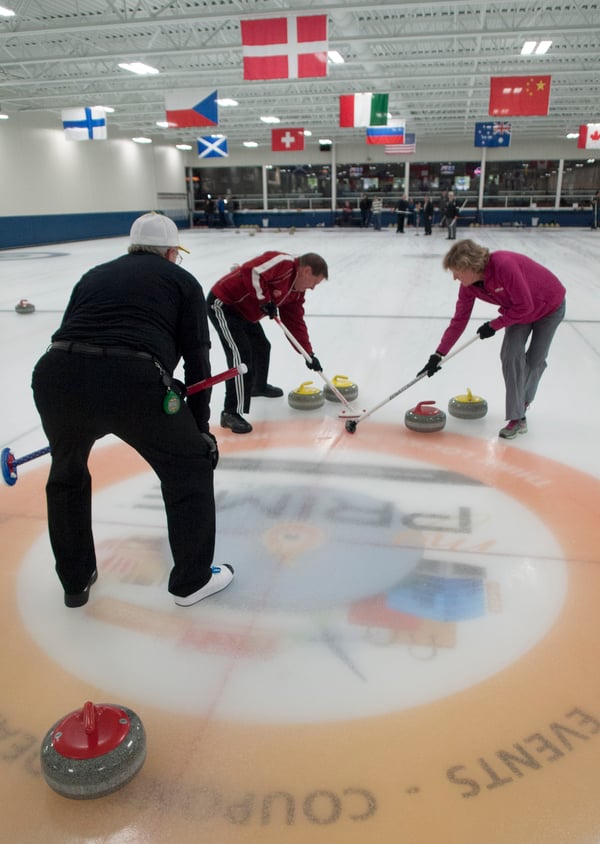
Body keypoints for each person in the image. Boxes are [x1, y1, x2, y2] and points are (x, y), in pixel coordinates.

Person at [31, 212, 234, 608]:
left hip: (57, 376)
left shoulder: (94, 275)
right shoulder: (182, 281)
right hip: (132, 380)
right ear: (173, 252)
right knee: (189, 466)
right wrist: (199, 430)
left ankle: (75, 580)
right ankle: (191, 580)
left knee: (67, 475)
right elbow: (198, 361)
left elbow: (73, 332)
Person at [417, 239, 566, 440]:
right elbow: (459, 320)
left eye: (457, 272)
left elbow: (526, 306)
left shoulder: (503, 266)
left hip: (548, 306)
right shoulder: (468, 286)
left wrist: (494, 325)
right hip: (518, 310)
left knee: (535, 360)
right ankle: (516, 416)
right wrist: (438, 354)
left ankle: (523, 402)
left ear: (470, 266)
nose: (454, 277)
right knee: (510, 354)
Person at [207, 252, 328, 434]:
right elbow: (252, 271)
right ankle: (230, 413)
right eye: (314, 283)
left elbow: (295, 322)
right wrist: (265, 300)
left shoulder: (296, 292)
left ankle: (257, 386)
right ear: (306, 271)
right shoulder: (284, 264)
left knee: (262, 346)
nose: (312, 288)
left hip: (246, 312)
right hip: (224, 305)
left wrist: (308, 353)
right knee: (241, 356)